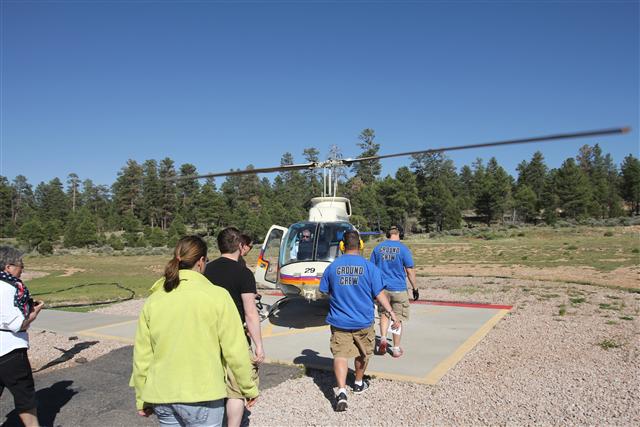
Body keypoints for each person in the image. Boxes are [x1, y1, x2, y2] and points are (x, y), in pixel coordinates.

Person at [131, 236, 258, 427]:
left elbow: (142, 355)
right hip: (202, 393)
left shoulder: (154, 300)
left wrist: (141, 396)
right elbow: (235, 350)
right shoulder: (217, 296)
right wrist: (248, 387)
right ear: (201, 261)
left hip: (162, 395)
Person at [319, 230, 399, 412]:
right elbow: (379, 294)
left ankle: (341, 391)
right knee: (363, 354)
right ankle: (358, 382)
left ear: (342, 246)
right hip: (363, 321)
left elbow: (325, 291)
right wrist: (391, 312)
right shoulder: (370, 267)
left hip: (339, 321)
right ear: (360, 245)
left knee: (340, 355)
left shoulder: (332, 267)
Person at [204, 227, 264, 427]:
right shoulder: (243, 273)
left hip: (209, 334)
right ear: (239, 245)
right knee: (236, 390)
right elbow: (250, 313)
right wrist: (258, 345)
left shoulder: (206, 270)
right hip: (234, 336)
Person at [0, 246, 44, 427]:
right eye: (20, 265)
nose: (22, 269)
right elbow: (18, 324)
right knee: (25, 398)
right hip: (9, 351)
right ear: (8, 267)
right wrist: (35, 311)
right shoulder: (8, 288)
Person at [370, 225, 418, 358]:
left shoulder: (378, 248)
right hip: (398, 288)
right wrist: (415, 288)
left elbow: (371, 269)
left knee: (384, 314)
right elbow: (409, 270)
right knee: (398, 318)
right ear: (400, 234)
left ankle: (383, 338)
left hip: (382, 289)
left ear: (387, 234)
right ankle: (396, 348)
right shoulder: (403, 249)